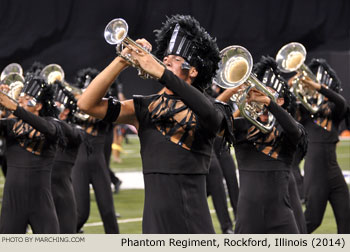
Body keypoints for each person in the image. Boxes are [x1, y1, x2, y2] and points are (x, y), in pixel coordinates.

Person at [78, 14, 234, 233]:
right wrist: (122, 60)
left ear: (194, 70)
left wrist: (161, 72)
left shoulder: (211, 109)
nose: (167, 60)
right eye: (166, 57)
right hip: (153, 223)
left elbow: (214, 118)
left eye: (176, 59)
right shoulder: (144, 107)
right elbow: (86, 104)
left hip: (194, 222)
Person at [218, 56, 305, 233]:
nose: (260, 94)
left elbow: (294, 131)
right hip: (248, 216)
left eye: (267, 92)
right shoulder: (242, 125)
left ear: (279, 100)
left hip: (281, 215)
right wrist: (236, 90)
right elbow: (212, 120)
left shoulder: (288, 129)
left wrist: (268, 102)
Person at [289, 58, 350, 233]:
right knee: (312, 221)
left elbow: (341, 103)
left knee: (346, 219)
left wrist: (319, 87)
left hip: (333, 169)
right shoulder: (304, 111)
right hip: (315, 171)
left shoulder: (334, 110)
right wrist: (290, 85)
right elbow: (287, 107)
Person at [0, 75, 62, 233]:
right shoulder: (10, 125)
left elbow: (49, 130)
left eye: (26, 98)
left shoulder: (53, 124)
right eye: (20, 97)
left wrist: (15, 109)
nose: (20, 100)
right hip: (12, 202)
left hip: (41, 202)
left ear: (39, 105)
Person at [72, 68, 119, 234]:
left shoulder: (106, 110)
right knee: (80, 215)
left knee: (109, 213)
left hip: (99, 165)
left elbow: (110, 118)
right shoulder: (72, 111)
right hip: (79, 165)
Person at [51, 80, 87, 233]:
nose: (52, 105)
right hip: (38, 196)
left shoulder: (75, 130)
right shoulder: (45, 124)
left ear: (66, 111)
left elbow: (64, 130)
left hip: (62, 197)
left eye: (56, 103)